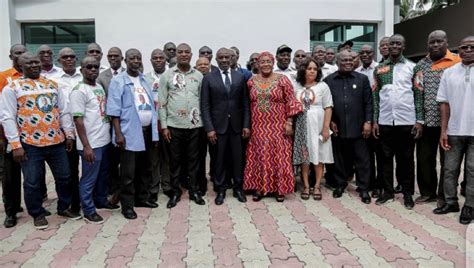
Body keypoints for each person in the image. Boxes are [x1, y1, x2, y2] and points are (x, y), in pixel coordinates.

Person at [0, 52, 79, 229]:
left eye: (36, 62)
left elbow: (64, 110)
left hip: (56, 141)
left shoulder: (52, 84)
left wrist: (69, 134)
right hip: (30, 144)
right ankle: (37, 213)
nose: (34, 65)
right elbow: (7, 117)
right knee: (32, 181)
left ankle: (63, 207)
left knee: (65, 177)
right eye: (29, 63)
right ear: (20, 66)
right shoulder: (12, 88)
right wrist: (15, 145)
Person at [107, 48, 159, 219]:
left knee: (145, 169)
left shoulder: (143, 79)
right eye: (132, 58)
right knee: (128, 173)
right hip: (129, 132)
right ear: (125, 61)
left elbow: (151, 106)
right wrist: (118, 134)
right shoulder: (118, 81)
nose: (135, 61)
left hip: (146, 131)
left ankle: (141, 199)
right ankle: (127, 206)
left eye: (138, 58)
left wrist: (154, 133)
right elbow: (113, 111)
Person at [243, 52, 302, 202]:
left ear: (273, 62)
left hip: (278, 125)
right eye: (262, 62)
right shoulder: (251, 81)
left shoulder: (282, 80)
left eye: (269, 61)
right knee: (259, 155)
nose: (266, 64)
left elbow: (291, 101)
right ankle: (259, 188)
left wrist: (289, 122)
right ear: (257, 64)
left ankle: (279, 189)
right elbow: (247, 104)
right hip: (258, 125)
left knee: (279, 156)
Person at [372, 34, 423, 209]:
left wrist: (419, 121)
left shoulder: (413, 68)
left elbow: (418, 94)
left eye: (397, 43)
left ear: (403, 46)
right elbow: (375, 97)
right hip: (385, 121)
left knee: (406, 159)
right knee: (385, 158)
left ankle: (407, 193)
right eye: (391, 43)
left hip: (406, 121)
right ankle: (387, 192)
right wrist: (375, 121)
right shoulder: (379, 69)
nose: (394, 46)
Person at [413, 30, 461, 205]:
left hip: (450, 123)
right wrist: (419, 120)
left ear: (447, 42)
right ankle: (427, 192)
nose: (435, 45)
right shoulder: (420, 65)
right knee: (425, 160)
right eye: (431, 42)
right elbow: (418, 95)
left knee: (448, 162)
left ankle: (444, 194)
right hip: (426, 122)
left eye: (439, 41)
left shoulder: (457, 61)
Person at [158, 43, 206, 208]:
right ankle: (175, 192)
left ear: (191, 55)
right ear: (176, 55)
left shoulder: (199, 76)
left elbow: (202, 101)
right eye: (180, 52)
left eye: (187, 52)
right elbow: (162, 103)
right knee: (175, 161)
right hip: (174, 126)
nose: (184, 55)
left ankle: (194, 191)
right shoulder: (167, 75)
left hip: (195, 125)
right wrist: (164, 126)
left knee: (194, 160)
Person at [70, 56, 116, 224]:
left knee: (102, 176)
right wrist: (87, 146)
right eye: (89, 67)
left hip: (104, 141)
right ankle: (89, 210)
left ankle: (101, 201)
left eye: (96, 67)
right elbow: (78, 120)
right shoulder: (78, 91)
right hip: (91, 144)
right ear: (81, 69)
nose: (93, 70)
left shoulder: (98, 87)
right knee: (89, 179)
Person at [201, 48, 250, 205]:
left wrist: (246, 125)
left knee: (238, 159)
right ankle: (220, 189)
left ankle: (238, 188)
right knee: (219, 159)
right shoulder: (208, 78)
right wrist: (209, 128)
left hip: (236, 126)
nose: (224, 60)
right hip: (217, 127)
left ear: (232, 58)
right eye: (220, 57)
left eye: (226, 57)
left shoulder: (240, 77)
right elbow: (205, 105)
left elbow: (245, 104)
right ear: (215, 59)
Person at [433, 36, 474, 225]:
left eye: (472, 47)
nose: (468, 50)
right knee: (449, 169)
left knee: (472, 170)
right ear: (458, 49)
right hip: (455, 130)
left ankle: (470, 206)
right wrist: (444, 130)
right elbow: (444, 104)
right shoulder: (449, 73)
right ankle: (451, 202)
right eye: (464, 47)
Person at [326, 50, 373, 204]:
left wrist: (368, 122)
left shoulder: (362, 79)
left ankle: (364, 188)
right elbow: (326, 105)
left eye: (350, 60)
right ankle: (340, 184)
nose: (347, 62)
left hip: (359, 127)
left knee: (362, 159)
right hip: (338, 127)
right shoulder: (329, 80)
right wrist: (331, 120)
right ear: (337, 62)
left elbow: (368, 103)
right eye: (344, 60)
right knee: (339, 159)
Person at [292, 58, 333, 201]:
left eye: (315, 69)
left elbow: (328, 107)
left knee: (319, 155)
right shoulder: (296, 86)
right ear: (303, 70)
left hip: (319, 124)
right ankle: (306, 185)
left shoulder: (323, 86)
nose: (312, 71)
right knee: (305, 156)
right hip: (301, 125)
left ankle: (317, 185)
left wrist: (326, 128)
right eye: (309, 68)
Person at [50, 47, 82, 214]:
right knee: (69, 171)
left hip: (86, 132)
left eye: (72, 56)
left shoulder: (84, 76)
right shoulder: (53, 80)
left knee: (89, 168)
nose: (69, 59)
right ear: (59, 60)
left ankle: (85, 199)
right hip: (65, 133)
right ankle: (71, 203)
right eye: (65, 57)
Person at [0, 44, 26, 228]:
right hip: (9, 135)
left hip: (32, 135)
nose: (22, 56)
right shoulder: (4, 78)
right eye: (18, 53)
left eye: (24, 52)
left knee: (33, 174)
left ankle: (31, 204)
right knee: (9, 175)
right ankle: (11, 211)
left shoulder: (35, 76)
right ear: (11, 56)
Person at [145, 48, 172, 202]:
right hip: (152, 122)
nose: (158, 60)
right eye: (155, 58)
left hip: (168, 121)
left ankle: (167, 185)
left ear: (165, 60)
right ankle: (154, 187)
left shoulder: (171, 76)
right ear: (151, 61)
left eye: (161, 57)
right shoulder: (145, 78)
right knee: (153, 157)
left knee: (167, 156)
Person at [356, 44, 383, 198]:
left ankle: (379, 186)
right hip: (364, 118)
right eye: (362, 53)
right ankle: (367, 183)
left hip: (379, 117)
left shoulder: (380, 69)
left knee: (379, 154)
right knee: (365, 155)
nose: (365, 55)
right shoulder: (357, 72)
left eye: (368, 52)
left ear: (374, 53)